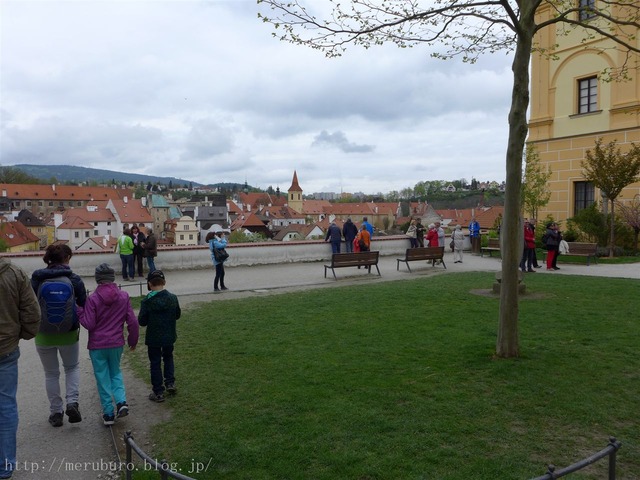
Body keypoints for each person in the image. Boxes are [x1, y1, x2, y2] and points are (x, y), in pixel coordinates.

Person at [31, 244, 87, 428]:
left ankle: (56, 413)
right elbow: (83, 303)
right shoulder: (74, 279)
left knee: (51, 374)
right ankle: (72, 403)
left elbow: (30, 303)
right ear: (67, 258)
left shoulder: (37, 279)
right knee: (71, 368)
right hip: (68, 332)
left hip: (43, 333)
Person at [79, 264, 139, 426]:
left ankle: (108, 413)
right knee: (115, 373)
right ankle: (121, 402)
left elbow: (89, 324)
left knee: (102, 378)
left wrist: (79, 312)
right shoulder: (124, 296)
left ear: (97, 279)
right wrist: (133, 340)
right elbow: (132, 322)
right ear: (112, 278)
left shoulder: (93, 299)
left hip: (97, 345)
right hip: (116, 343)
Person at [0, 258, 40, 479]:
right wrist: (22, 334)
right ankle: (4, 466)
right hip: (5, 348)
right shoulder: (14, 273)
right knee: (5, 407)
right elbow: (32, 313)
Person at [138, 270, 181, 403]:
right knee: (168, 357)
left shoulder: (147, 301)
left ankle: (158, 391)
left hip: (154, 338)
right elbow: (177, 315)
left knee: (155, 363)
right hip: (169, 335)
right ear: (164, 283)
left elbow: (142, 321)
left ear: (149, 284)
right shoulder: (173, 298)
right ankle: (170, 383)